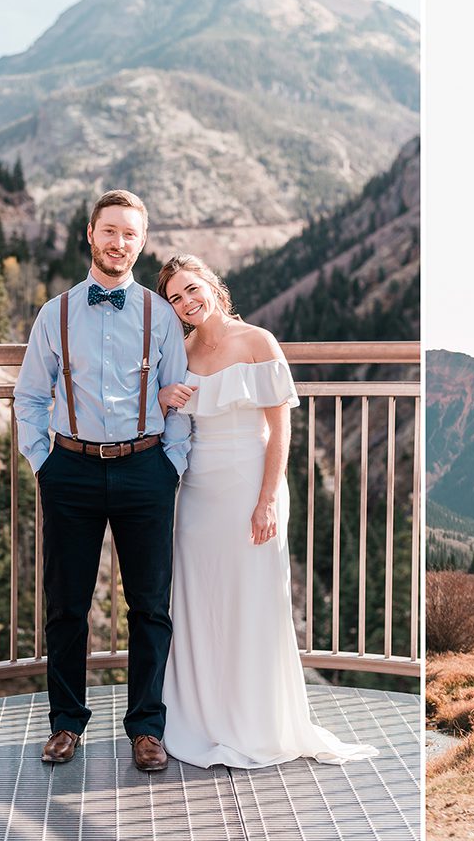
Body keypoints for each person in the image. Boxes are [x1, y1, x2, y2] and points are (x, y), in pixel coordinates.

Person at [154, 253, 378, 768]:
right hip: (197, 493)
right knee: (198, 603)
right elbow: (166, 415)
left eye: (193, 289)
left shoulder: (258, 341)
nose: (188, 302)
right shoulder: (181, 351)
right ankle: (202, 719)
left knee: (254, 603)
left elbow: (282, 430)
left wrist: (266, 501)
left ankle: (254, 722)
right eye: (176, 298)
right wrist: (165, 395)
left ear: (212, 284)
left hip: (251, 485)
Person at [14, 190, 190, 771]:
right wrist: (44, 461)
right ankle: (66, 724)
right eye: (110, 231)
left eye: (131, 235)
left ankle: (145, 727)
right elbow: (32, 396)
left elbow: (180, 397)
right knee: (66, 605)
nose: (119, 243)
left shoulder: (160, 315)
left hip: (145, 469)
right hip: (71, 471)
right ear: (90, 233)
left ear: (141, 243)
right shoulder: (55, 314)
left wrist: (172, 464)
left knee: (149, 606)